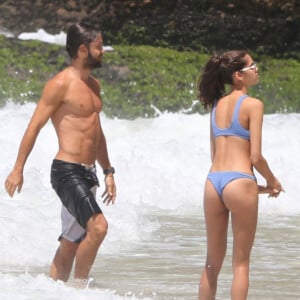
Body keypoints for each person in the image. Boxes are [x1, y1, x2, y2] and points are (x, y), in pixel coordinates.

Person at [4, 22, 116, 283]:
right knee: (98, 228)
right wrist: (18, 168)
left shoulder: (94, 86)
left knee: (70, 241)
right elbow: (34, 126)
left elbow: (96, 134)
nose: (103, 51)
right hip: (66, 171)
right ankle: (80, 291)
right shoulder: (59, 84)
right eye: (98, 47)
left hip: (88, 172)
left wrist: (108, 171)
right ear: (82, 50)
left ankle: (55, 292)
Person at [197, 50, 284, 300]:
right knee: (241, 264)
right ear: (238, 76)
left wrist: (247, 185)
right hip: (239, 182)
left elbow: (216, 156)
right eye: (252, 66)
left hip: (214, 183)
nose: (257, 69)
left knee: (211, 264)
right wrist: (272, 181)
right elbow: (255, 157)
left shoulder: (215, 106)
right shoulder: (253, 105)